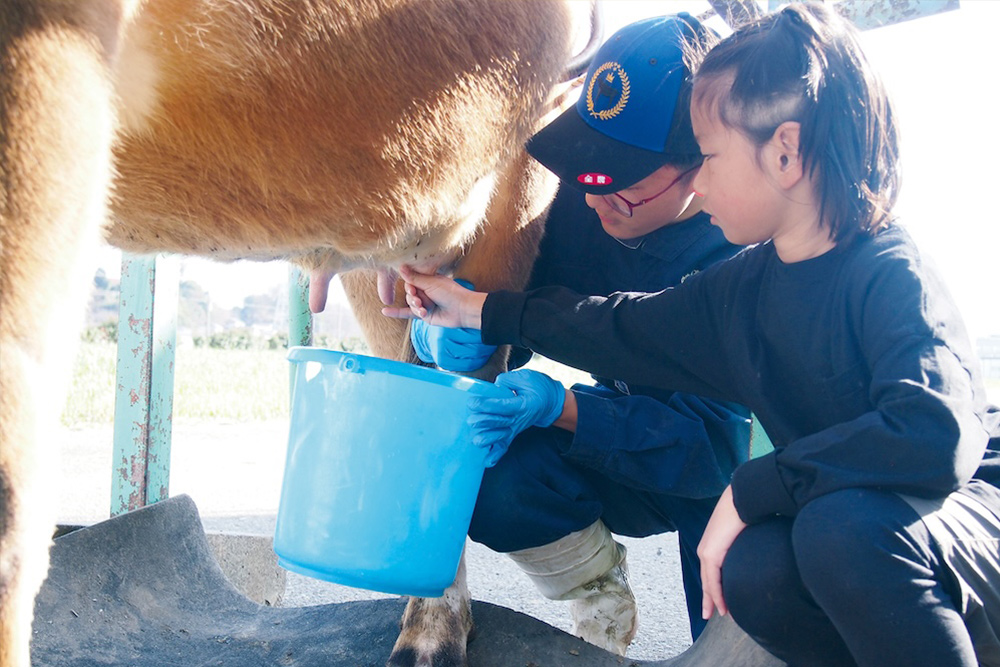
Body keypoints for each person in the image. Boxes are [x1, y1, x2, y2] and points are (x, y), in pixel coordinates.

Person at [387, 4, 1000, 666]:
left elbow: (936, 432)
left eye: (709, 157)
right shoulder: (748, 286)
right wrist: (474, 310)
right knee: (756, 567)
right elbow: (613, 325)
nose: (704, 181)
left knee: (830, 532)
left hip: (954, 514)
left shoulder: (887, 270)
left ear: (786, 152)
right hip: (852, 513)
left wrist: (756, 485)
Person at [407, 13, 752, 654]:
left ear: (702, 162)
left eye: (620, 177)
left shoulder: (739, 251)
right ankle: (599, 591)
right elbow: (504, 305)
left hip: (727, 470)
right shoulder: (580, 206)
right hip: (628, 444)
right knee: (491, 476)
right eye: (585, 166)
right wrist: (448, 334)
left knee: (735, 595)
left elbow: (713, 450)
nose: (596, 195)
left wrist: (561, 405)